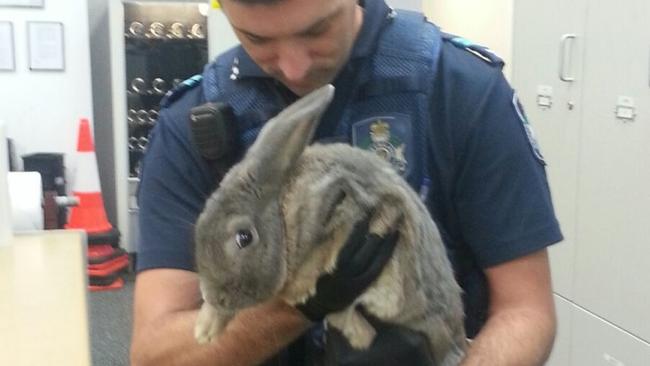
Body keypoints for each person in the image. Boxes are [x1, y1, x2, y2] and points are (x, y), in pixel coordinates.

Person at [130, 0, 563, 365]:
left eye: (317, 29)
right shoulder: (190, 124)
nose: (294, 68)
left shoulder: (463, 91)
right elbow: (156, 353)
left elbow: (526, 309)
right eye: (258, 39)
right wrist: (302, 304)